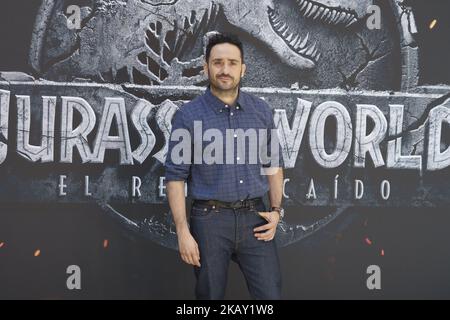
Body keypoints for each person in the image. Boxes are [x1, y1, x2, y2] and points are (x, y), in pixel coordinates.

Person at [164, 33, 285, 300]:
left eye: (232, 63)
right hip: (209, 221)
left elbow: (273, 166)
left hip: (256, 218)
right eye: (218, 62)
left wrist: (276, 211)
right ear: (206, 67)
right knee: (209, 298)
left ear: (243, 69)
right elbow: (175, 178)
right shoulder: (188, 116)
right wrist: (183, 232)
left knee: (271, 297)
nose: (225, 70)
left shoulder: (261, 112)